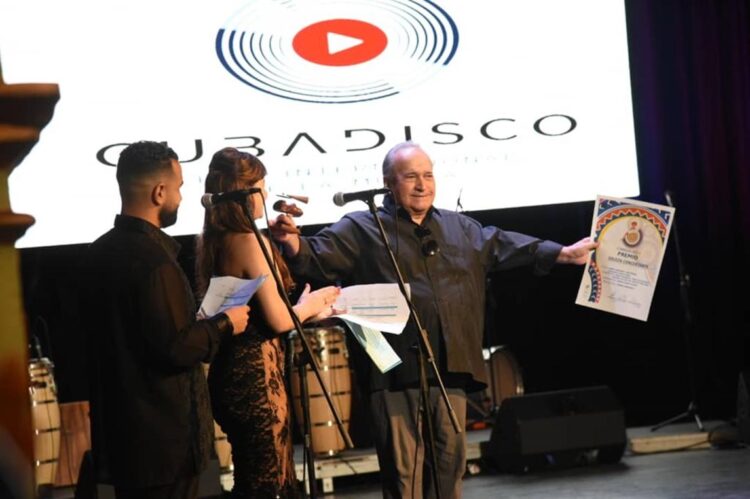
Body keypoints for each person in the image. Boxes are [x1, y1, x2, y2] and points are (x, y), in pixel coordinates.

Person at [270, 141, 597, 499]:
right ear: (388, 183)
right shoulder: (362, 227)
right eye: (411, 177)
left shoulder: (459, 228)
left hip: (450, 365)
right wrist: (291, 242)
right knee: (403, 472)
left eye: (427, 175)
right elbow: (316, 256)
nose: (422, 185)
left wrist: (563, 254)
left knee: (448, 464)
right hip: (391, 367)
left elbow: (505, 245)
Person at [81, 141, 250, 499]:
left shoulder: (97, 254)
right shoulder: (155, 262)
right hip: (162, 444)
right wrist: (225, 323)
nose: (181, 197)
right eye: (179, 187)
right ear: (159, 192)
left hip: (121, 437)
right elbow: (175, 347)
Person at [195, 147, 340, 498]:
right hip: (254, 378)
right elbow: (277, 319)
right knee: (268, 482)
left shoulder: (216, 238)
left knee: (261, 476)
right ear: (246, 190)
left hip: (236, 373)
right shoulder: (247, 240)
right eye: (261, 185)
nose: (265, 194)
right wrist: (313, 303)